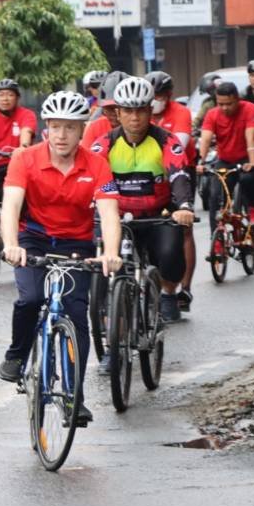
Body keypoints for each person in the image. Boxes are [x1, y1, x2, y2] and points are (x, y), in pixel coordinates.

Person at [0, 91, 121, 425]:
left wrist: (110, 253)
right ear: (45, 129)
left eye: (70, 127)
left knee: (77, 315)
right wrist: (11, 244)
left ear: (83, 131)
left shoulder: (96, 164)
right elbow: (10, 206)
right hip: (32, 240)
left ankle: (74, 395)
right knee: (31, 298)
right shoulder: (24, 159)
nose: (62, 135)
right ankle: (18, 354)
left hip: (75, 243)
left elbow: (109, 214)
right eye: (55, 127)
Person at [91, 77, 194, 324]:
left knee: (171, 255)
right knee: (100, 260)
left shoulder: (167, 141)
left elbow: (178, 173)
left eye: (140, 110)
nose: (134, 117)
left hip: (159, 212)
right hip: (118, 216)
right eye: (128, 110)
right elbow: (92, 176)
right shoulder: (104, 144)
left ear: (150, 111)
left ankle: (168, 293)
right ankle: (108, 320)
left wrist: (184, 206)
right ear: (118, 112)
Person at [146, 71, 198, 312]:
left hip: (178, 173)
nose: (154, 100)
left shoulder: (181, 113)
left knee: (183, 229)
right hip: (146, 178)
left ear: (169, 96)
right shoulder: (140, 113)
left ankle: (183, 288)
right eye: (151, 96)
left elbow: (179, 143)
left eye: (159, 96)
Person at [197, 82, 254, 226]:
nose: (224, 108)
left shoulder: (250, 109)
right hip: (225, 159)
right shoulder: (212, 114)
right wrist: (200, 162)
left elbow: (251, 137)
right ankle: (217, 239)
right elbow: (206, 139)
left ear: (237, 99)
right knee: (215, 194)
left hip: (247, 156)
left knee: (248, 179)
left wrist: (252, 163)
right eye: (220, 104)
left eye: (229, 104)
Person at [81, 71, 129, 149]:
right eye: (108, 108)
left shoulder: (147, 128)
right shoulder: (95, 127)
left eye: (119, 107)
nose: (114, 113)